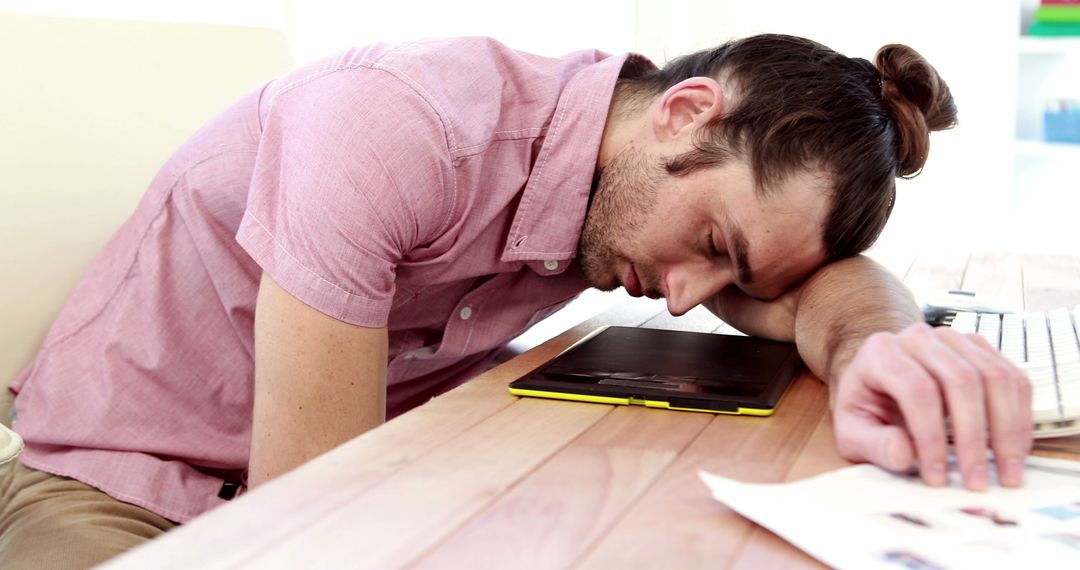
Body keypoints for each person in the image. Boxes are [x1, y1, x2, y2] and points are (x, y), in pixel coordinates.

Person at [0, 33, 1031, 566]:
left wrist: (882, 347)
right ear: (685, 112)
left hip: (373, 471)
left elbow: (827, 293)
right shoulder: (393, 127)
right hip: (122, 480)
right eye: (713, 247)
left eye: (734, 281)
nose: (686, 303)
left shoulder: (629, 197)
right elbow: (305, 530)